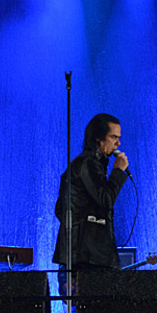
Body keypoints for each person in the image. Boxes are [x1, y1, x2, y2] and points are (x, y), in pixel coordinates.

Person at [53, 113, 129, 287]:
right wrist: (118, 171)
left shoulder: (91, 164)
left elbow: (60, 209)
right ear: (98, 139)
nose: (118, 143)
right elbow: (106, 199)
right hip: (89, 258)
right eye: (113, 137)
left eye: (119, 138)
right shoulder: (86, 164)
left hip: (89, 255)